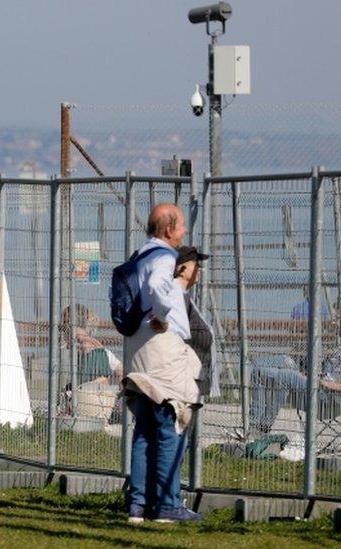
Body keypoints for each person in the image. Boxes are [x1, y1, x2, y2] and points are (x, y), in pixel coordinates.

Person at [122, 203, 202, 524]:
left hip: (138, 350)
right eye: (181, 226)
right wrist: (163, 315)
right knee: (171, 424)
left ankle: (137, 505)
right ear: (168, 229)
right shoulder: (164, 256)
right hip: (161, 355)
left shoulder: (139, 255)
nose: (183, 232)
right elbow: (157, 288)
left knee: (143, 431)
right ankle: (167, 505)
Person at [250, 297, 341, 436]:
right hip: (318, 387)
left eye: (337, 318)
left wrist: (321, 382)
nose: (334, 322)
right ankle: (256, 425)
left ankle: (259, 427)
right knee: (267, 367)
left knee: (285, 377)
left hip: (327, 400)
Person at [174, 246, 217, 397]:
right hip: (180, 382)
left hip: (190, 382)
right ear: (182, 269)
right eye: (195, 263)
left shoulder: (184, 297)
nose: (199, 267)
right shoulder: (175, 298)